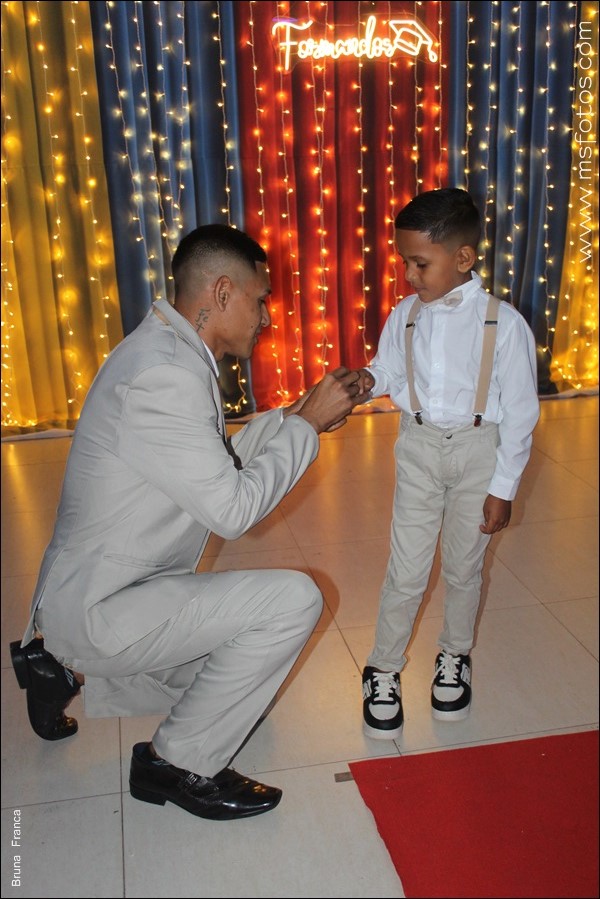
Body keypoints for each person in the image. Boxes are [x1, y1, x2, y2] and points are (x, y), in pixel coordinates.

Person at [10, 223, 365, 820]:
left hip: (116, 589)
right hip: (101, 605)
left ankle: (59, 671)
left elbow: (214, 465)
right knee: (293, 603)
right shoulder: (167, 375)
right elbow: (234, 510)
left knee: (239, 678)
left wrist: (302, 413)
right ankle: (174, 763)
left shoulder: (167, 351)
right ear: (222, 292)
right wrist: (305, 428)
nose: (266, 317)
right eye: (260, 300)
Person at [355, 188, 540, 739]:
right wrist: (367, 380)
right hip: (418, 447)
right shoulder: (405, 315)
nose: (409, 275)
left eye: (420, 263)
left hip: (479, 452)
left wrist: (503, 486)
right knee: (407, 569)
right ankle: (382, 668)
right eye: (404, 262)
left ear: (463, 258)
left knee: (464, 566)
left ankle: (455, 655)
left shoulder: (504, 324)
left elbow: (522, 414)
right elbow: (390, 369)